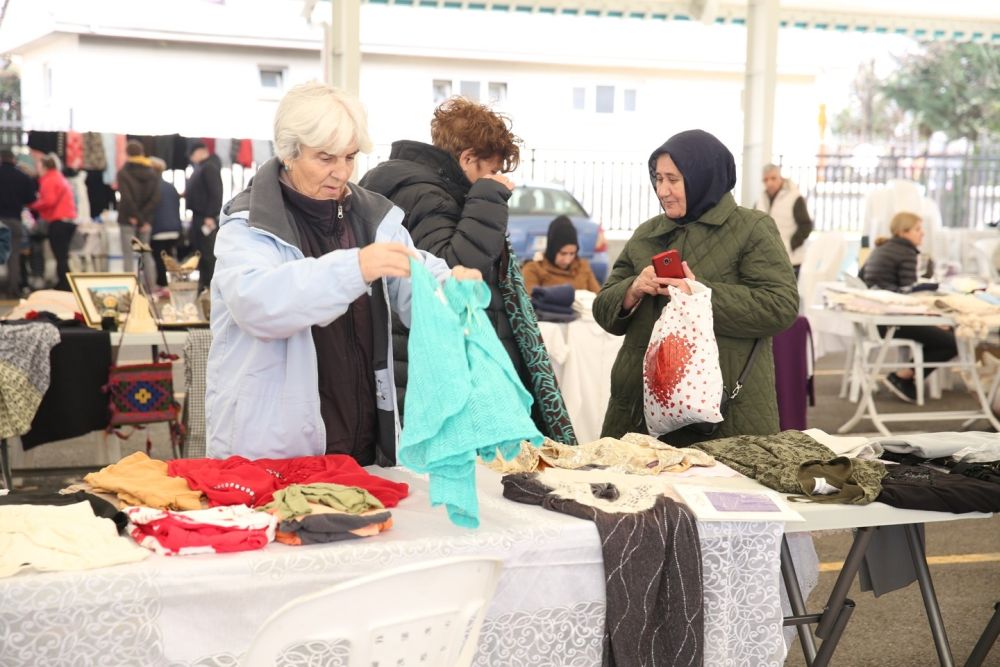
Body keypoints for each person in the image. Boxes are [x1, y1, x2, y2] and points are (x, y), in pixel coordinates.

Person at [205, 81, 478, 465]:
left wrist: (451, 290)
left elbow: (416, 278)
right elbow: (258, 304)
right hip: (270, 455)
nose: (341, 172)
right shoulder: (248, 225)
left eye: (349, 157)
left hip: (361, 448)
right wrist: (355, 269)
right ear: (289, 152)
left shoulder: (373, 218)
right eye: (325, 158)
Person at [359, 97, 576, 444]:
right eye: (491, 169)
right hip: (427, 366)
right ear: (467, 158)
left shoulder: (423, 189)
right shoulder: (426, 195)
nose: (497, 178)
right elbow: (453, 274)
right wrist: (488, 198)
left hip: (414, 359)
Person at [593, 129, 799, 445]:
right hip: (637, 411)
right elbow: (603, 309)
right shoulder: (647, 234)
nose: (662, 190)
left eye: (673, 180)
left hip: (723, 414)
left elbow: (780, 306)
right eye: (658, 178)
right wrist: (632, 289)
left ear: (703, 177)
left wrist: (699, 295)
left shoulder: (751, 228)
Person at [860, 211, 957, 403]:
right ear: (903, 232)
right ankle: (903, 376)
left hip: (874, 319)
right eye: (917, 229)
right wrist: (932, 310)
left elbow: (862, 280)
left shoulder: (881, 248)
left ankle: (906, 375)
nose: (922, 233)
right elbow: (908, 295)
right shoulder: (906, 252)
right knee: (953, 340)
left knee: (946, 333)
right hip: (893, 321)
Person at [28, 153, 77, 291]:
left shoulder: (49, 180)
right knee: (63, 256)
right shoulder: (59, 177)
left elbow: (49, 201)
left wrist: (33, 205)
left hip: (59, 221)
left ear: (44, 167)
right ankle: (64, 283)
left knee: (60, 256)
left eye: (38, 166)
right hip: (68, 220)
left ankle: (65, 284)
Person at [755, 163, 813, 275]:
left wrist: (790, 245)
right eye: (765, 180)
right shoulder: (760, 200)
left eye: (773, 178)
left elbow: (806, 226)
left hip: (791, 260)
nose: (769, 183)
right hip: (767, 260)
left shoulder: (795, 197)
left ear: (780, 178)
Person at [521, 215, 602, 293]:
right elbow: (530, 299)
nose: (567, 260)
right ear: (552, 250)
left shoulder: (582, 266)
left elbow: (599, 297)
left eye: (572, 254)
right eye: (563, 254)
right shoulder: (533, 269)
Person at [116, 140, 161, 273]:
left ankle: (130, 284)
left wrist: (137, 218)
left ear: (127, 154)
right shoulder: (153, 173)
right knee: (145, 255)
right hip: (146, 221)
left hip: (127, 219)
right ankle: (151, 284)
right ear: (142, 152)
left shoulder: (123, 173)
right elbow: (155, 199)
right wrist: (143, 220)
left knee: (128, 256)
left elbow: (127, 198)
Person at [185, 141, 223, 292]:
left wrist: (210, 215)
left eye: (192, 155)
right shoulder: (201, 167)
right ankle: (204, 286)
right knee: (200, 253)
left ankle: (209, 287)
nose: (191, 158)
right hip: (199, 216)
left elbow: (216, 193)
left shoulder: (209, 167)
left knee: (207, 254)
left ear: (200, 152)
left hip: (206, 218)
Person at [0, 147, 37, 297]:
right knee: (14, 256)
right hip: (14, 220)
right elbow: (32, 199)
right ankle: (13, 289)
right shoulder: (23, 177)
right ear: (13, 160)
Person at [148, 157, 182, 287]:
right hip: (174, 228)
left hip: (158, 229)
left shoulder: (151, 187)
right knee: (169, 258)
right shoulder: (170, 187)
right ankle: (172, 283)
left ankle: (163, 285)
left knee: (159, 260)